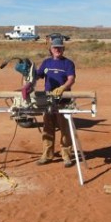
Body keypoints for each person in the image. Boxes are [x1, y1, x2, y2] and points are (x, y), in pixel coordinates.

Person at [35, 37, 76, 167]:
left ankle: (67, 156)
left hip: (63, 100)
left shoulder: (68, 63)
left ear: (63, 49)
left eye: (60, 48)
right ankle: (47, 155)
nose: (57, 49)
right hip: (48, 101)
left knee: (65, 129)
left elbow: (71, 79)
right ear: (51, 49)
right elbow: (38, 75)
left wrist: (63, 87)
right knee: (47, 129)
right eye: (55, 48)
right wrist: (28, 75)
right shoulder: (46, 62)